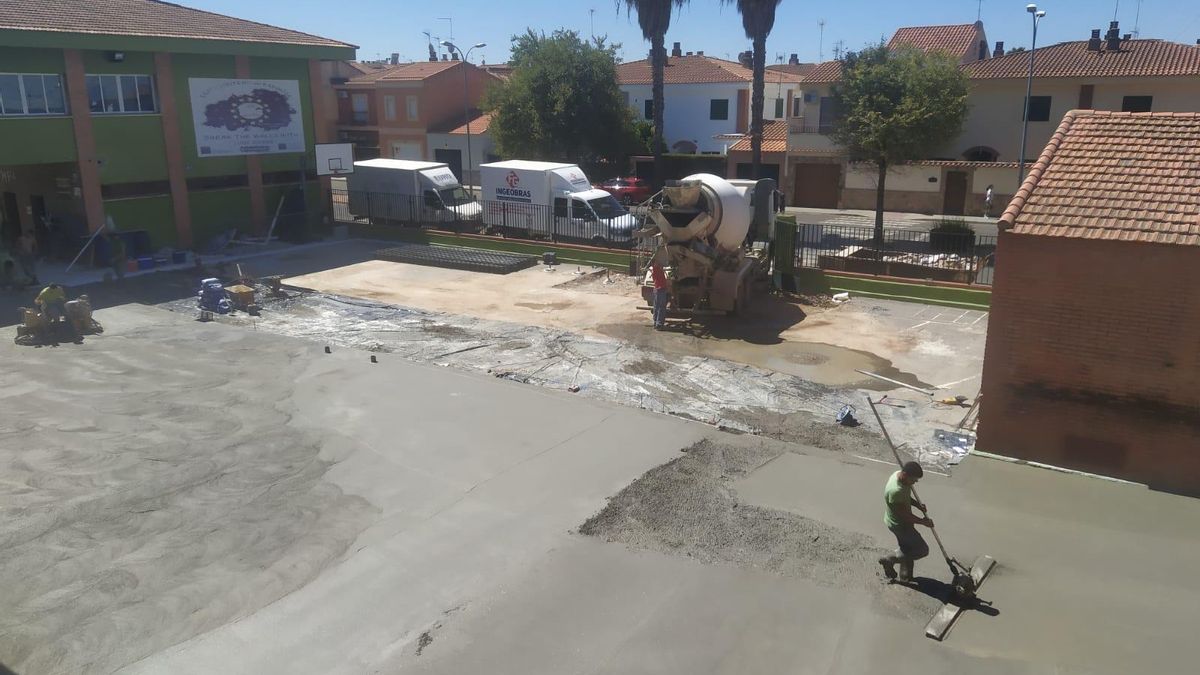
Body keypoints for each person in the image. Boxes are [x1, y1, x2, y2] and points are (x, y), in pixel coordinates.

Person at [878, 461, 934, 583]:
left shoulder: (898, 476)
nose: (915, 482)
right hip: (901, 525)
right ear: (905, 474)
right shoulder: (895, 491)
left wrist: (917, 505)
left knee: (907, 548)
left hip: (897, 521)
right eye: (914, 479)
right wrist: (923, 522)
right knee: (922, 550)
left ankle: (906, 576)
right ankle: (889, 559)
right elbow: (905, 516)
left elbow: (906, 496)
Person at [650, 261, 669, 330]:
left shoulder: (655, 270)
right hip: (661, 290)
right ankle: (659, 324)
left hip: (657, 290)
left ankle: (655, 322)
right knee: (661, 307)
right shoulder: (658, 270)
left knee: (656, 306)